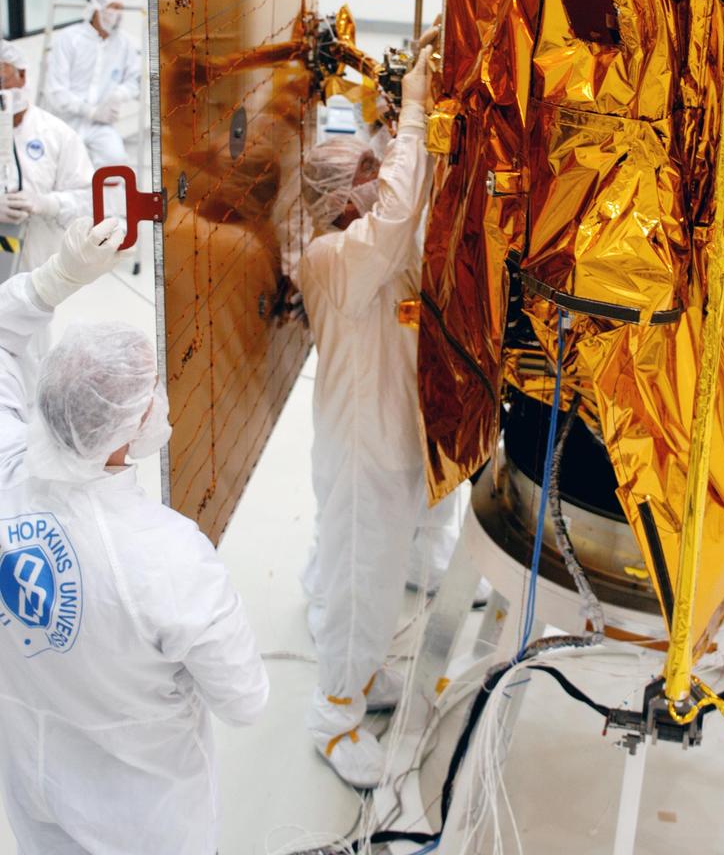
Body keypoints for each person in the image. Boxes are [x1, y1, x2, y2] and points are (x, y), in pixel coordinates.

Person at [0, 217, 269, 854]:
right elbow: (245, 701)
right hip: (143, 817)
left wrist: (52, 282)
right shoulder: (168, 557)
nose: (163, 401)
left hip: (32, 783)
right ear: (123, 436)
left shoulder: (7, 466)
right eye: (153, 393)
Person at [297, 46, 457, 789]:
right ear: (337, 200)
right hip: (361, 448)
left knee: (375, 573)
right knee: (360, 579)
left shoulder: (360, 246)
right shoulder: (333, 256)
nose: (378, 179)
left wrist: (404, 130)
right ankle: (334, 718)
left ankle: (360, 680)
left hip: (384, 436)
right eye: (365, 172)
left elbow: (398, 202)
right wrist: (417, 113)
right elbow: (393, 216)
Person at [0, 39, 93, 275]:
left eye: (2, 80)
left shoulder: (57, 134)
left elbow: (87, 199)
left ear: (22, 75)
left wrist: (48, 203)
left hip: (37, 271)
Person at [43, 0, 141, 169]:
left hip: (99, 125)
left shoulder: (123, 44)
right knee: (65, 169)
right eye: (113, 8)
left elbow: (135, 80)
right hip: (64, 121)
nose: (118, 14)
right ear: (97, 10)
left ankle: (106, 197)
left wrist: (119, 94)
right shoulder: (70, 39)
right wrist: (90, 111)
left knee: (117, 162)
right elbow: (56, 91)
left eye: (120, 8)